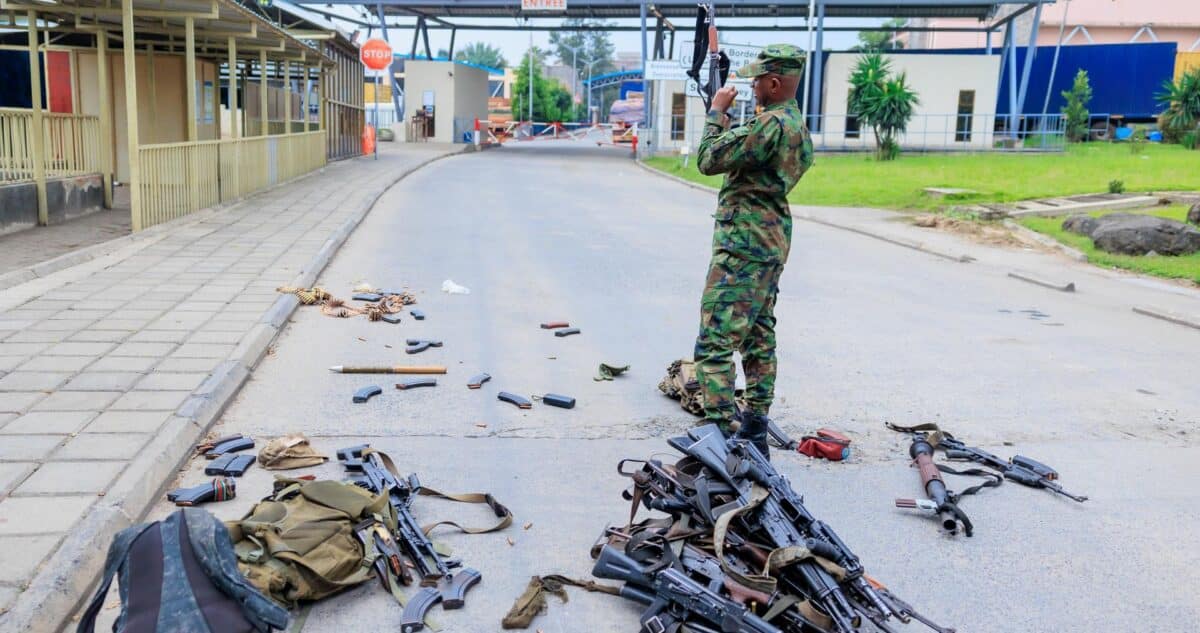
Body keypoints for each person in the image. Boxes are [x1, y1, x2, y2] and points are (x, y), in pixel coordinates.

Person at [692, 44, 815, 458]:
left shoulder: (768, 128)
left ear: (775, 83)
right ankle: (756, 427)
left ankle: (722, 437)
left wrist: (715, 113)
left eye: (758, 79)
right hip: (771, 241)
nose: (752, 84)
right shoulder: (795, 126)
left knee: (715, 341)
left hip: (743, 247)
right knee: (759, 336)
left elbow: (708, 160)